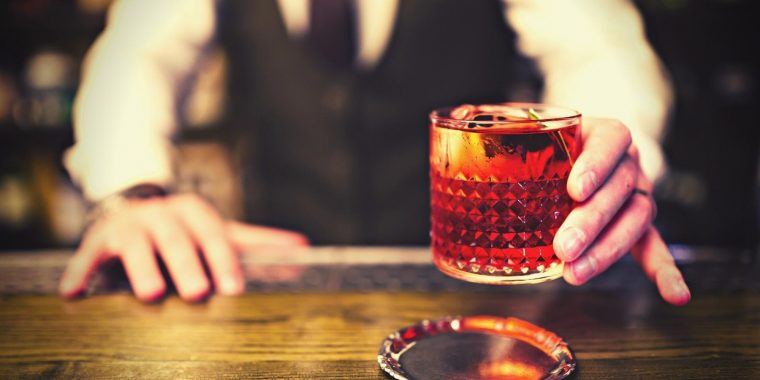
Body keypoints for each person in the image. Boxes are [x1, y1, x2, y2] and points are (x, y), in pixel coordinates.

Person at [59, 0, 691, 305]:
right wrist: (132, 193)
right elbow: (136, 55)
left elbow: (598, 49)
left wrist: (604, 158)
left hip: (480, 302)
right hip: (279, 296)